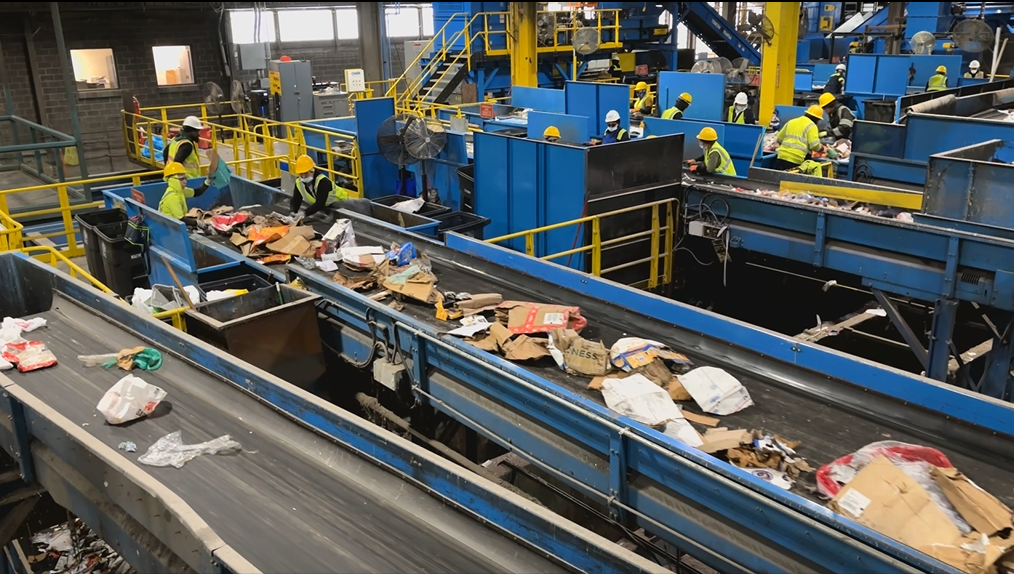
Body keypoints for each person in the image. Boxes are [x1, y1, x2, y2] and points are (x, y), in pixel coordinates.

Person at [774, 105, 824, 171]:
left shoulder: (791, 121)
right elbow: (814, 145)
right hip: (796, 160)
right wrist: (822, 148)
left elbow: (779, 139)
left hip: (781, 157)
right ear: (817, 119)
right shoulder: (812, 126)